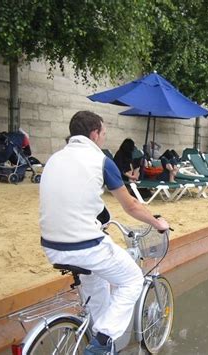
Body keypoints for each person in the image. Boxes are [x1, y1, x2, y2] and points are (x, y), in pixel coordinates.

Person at [39, 111, 169, 354]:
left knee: (98, 291)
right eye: (103, 134)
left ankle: (101, 340)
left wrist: (101, 217)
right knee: (132, 280)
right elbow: (131, 205)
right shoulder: (100, 160)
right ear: (94, 133)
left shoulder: (55, 159)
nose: (103, 139)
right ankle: (101, 344)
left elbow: (74, 198)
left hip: (52, 247)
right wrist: (157, 222)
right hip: (83, 247)